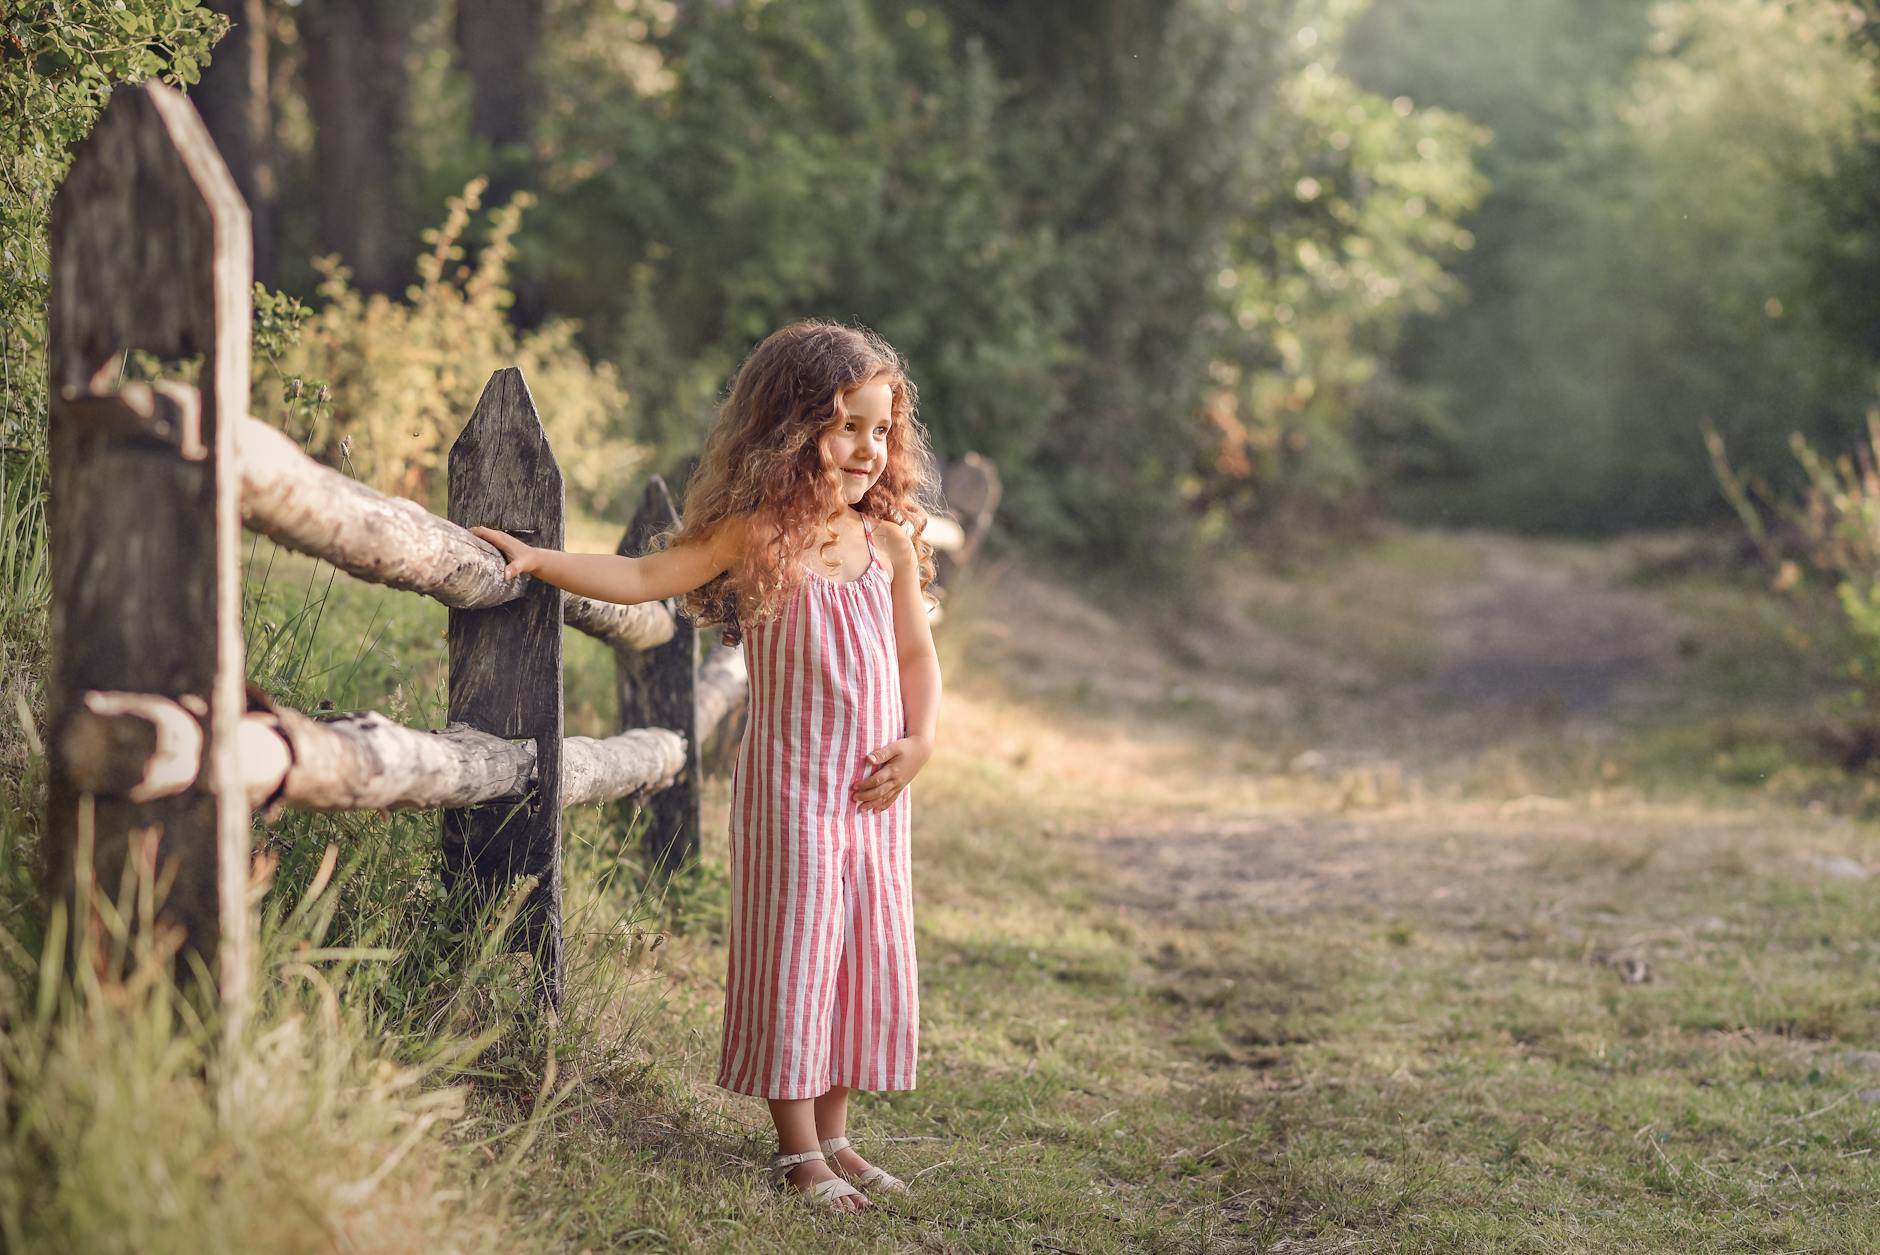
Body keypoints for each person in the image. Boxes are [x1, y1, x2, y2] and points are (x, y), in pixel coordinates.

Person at [472, 320, 944, 1215]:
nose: (866, 450)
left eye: (882, 431)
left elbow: (918, 658)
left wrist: (922, 741)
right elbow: (645, 574)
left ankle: (839, 1136)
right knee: (797, 952)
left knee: (855, 955)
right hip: (794, 791)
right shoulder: (756, 536)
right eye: (846, 426)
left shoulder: (884, 545)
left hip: (878, 794)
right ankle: (796, 1148)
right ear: (789, 426)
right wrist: (540, 562)